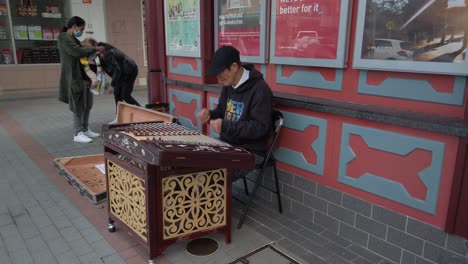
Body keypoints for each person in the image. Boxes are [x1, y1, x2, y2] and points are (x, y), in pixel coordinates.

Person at [196, 45, 273, 181]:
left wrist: (226, 126)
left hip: (251, 150)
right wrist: (210, 115)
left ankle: (215, 201)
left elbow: (260, 128)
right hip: (228, 144)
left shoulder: (260, 89)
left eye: (220, 73)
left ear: (234, 67)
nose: (219, 79)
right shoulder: (228, 86)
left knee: (214, 176)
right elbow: (221, 111)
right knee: (196, 163)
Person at [57, 16, 105, 143]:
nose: (82, 32)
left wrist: (93, 56)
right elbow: (77, 51)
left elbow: (81, 53)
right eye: (81, 29)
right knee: (78, 105)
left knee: (87, 105)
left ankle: (85, 129)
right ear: (74, 26)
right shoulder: (64, 38)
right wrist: (95, 49)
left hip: (84, 77)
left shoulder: (74, 39)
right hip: (75, 77)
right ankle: (77, 132)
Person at [96, 42, 140, 124]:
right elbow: (112, 68)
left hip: (128, 72)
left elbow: (117, 69)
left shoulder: (109, 53)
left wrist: (113, 84)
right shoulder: (102, 55)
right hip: (121, 73)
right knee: (117, 95)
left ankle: (141, 112)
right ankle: (118, 117)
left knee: (125, 96)